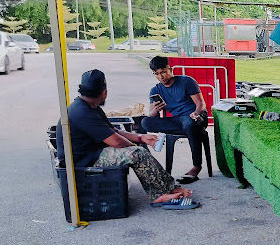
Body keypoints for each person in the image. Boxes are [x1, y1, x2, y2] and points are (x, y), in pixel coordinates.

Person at [56, 69, 199, 210]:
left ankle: (169, 187)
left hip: (90, 154)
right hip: (83, 162)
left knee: (138, 149)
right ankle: (159, 195)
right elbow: (116, 141)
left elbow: (114, 131)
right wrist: (135, 146)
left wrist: (141, 138)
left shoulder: (89, 106)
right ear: (104, 92)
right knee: (137, 154)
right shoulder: (82, 112)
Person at [141, 56, 208, 184]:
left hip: (196, 116)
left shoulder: (186, 81)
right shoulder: (155, 90)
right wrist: (155, 110)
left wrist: (196, 113)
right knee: (145, 122)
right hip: (177, 121)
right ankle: (191, 130)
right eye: (157, 74)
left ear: (170, 69)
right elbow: (152, 116)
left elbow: (201, 104)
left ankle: (196, 166)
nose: (161, 76)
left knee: (189, 123)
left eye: (163, 72)